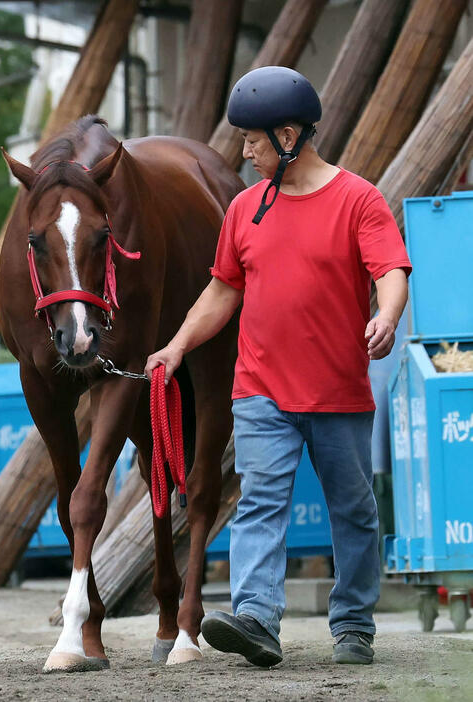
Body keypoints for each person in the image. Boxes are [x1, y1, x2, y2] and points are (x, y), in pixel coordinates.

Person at [144, 66, 411, 667]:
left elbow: (390, 271)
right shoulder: (244, 209)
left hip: (339, 391)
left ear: (289, 137)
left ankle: (353, 625)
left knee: (354, 511)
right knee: (261, 501)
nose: (245, 153)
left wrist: (387, 317)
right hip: (260, 388)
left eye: (253, 142)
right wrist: (178, 346)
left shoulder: (357, 199)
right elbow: (221, 291)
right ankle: (258, 619)